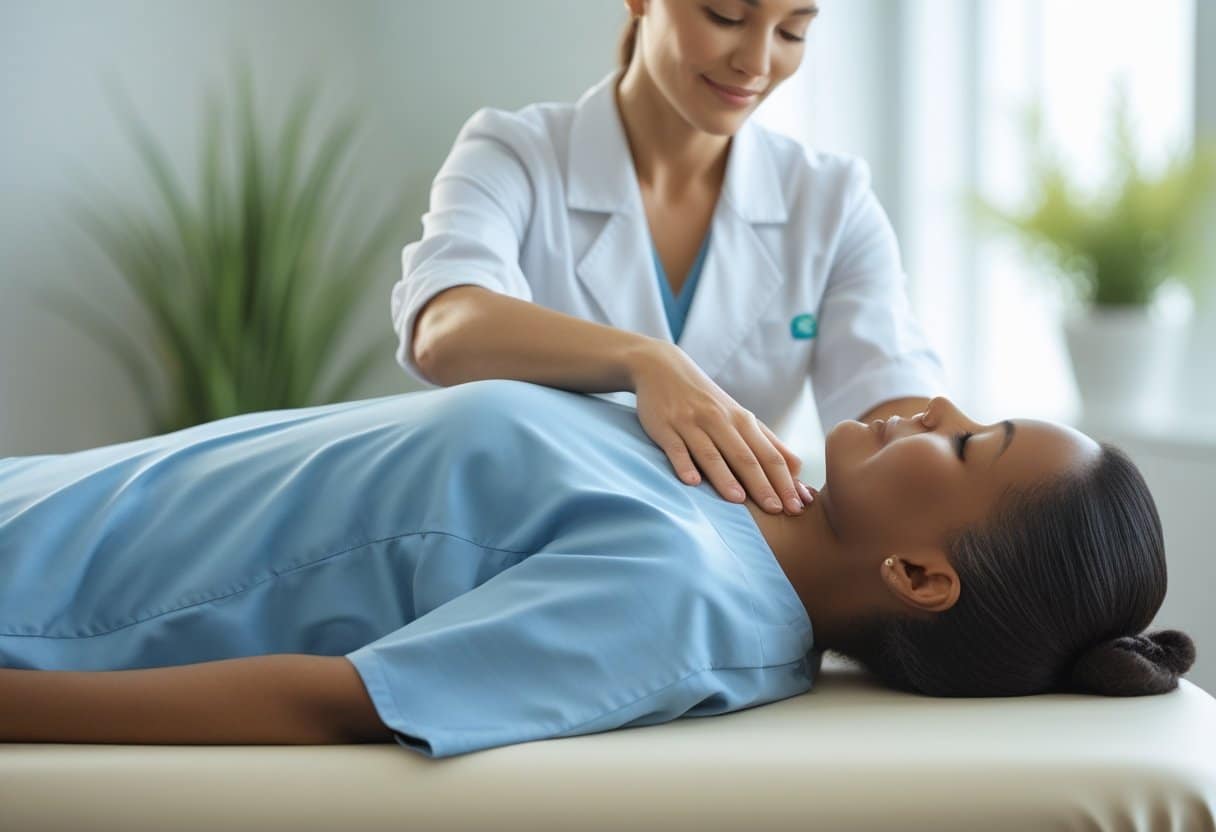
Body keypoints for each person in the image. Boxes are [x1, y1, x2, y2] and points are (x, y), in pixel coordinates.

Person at [0, 380, 1196, 758]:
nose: (931, 403)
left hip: (50, 594)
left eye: (966, 441)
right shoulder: (734, 473)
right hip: (61, 490)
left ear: (920, 578)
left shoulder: (681, 604)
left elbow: (340, 698)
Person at [394, 0, 948, 523]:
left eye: (791, 31)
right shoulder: (516, 153)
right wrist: (646, 362)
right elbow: (444, 328)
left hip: (728, 563)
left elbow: (889, 397)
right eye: (726, 16)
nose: (756, 63)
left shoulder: (831, 200)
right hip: (518, 540)